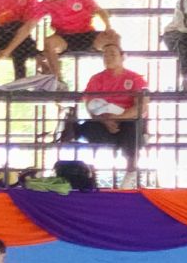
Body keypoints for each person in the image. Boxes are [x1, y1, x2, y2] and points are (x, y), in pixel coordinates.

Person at [60, 31, 146, 173]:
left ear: (122, 57)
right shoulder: (96, 79)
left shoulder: (135, 78)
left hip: (127, 120)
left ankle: (131, 169)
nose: (108, 58)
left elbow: (141, 107)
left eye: (112, 54)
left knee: (132, 127)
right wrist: (104, 120)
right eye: (105, 55)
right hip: (103, 120)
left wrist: (118, 117)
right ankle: (90, 171)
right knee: (88, 127)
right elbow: (89, 104)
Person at [35, 0, 112, 77]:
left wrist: (108, 26)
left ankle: (113, 74)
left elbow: (99, 11)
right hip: (64, 37)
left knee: (113, 38)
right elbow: (31, 20)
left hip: (87, 33)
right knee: (48, 43)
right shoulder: (45, 3)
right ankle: (57, 78)